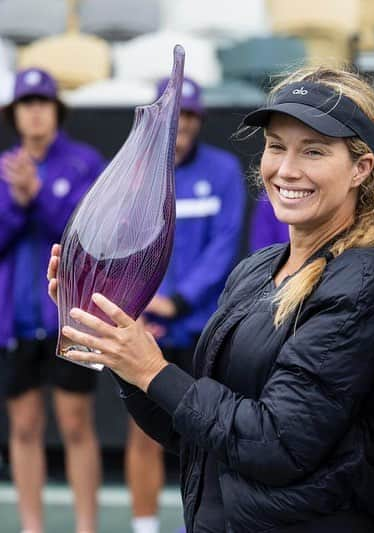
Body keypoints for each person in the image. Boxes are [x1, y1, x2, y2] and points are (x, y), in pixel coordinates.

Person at [49, 66, 374, 532]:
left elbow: (277, 443)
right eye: (276, 146)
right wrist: (124, 348)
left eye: (314, 151)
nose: (286, 169)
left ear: (360, 169)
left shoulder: (366, 281)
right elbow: (200, 435)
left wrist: (153, 369)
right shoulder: (257, 269)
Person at [125, 77, 246, 533]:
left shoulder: (223, 171)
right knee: (143, 434)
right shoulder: (132, 172)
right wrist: (139, 305)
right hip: (148, 327)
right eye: (177, 113)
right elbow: (121, 244)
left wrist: (178, 300)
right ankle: (144, 527)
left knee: (207, 433)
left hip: (205, 328)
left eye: (192, 114)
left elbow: (224, 246)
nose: (184, 123)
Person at [0, 68, 105, 533]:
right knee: (23, 427)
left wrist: (37, 195)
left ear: (56, 111)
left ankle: (86, 526)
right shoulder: (4, 167)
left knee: (76, 424)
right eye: (27, 103)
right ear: (16, 113)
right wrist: (17, 201)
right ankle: (31, 527)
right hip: (16, 320)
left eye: (43, 102)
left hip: (71, 317)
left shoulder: (84, 162)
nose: (35, 110)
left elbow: (86, 235)